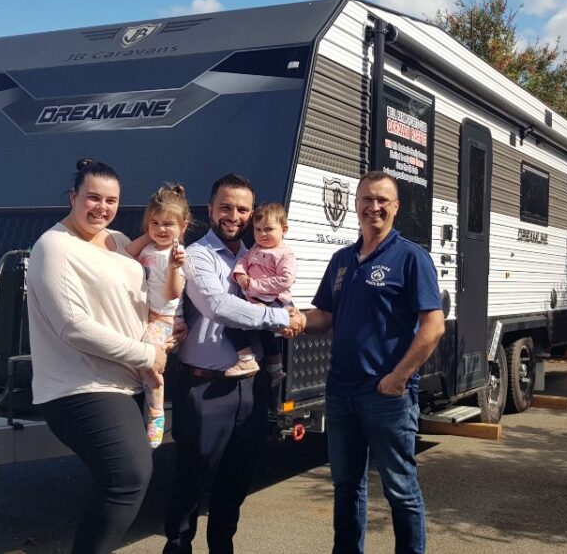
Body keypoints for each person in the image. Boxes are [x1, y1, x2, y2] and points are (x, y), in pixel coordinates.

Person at [27, 157, 175, 554]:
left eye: (111, 200)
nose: (102, 208)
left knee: (130, 477)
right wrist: (146, 353)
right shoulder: (54, 247)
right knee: (128, 475)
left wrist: (168, 328)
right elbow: (72, 326)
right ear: (74, 196)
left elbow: (143, 298)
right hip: (80, 386)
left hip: (126, 382)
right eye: (93, 198)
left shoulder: (121, 241)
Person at [301, 171, 445, 554]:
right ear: (356, 205)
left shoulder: (411, 258)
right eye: (366, 199)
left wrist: (398, 378)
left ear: (396, 207)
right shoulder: (342, 260)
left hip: (386, 395)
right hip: (342, 391)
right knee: (346, 486)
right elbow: (324, 317)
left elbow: (433, 326)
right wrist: (292, 319)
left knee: (400, 489)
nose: (373, 207)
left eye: (382, 200)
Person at [163, 174, 306, 554]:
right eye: (225, 207)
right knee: (190, 482)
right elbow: (219, 307)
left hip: (251, 388)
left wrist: (289, 308)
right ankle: (177, 548)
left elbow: (280, 290)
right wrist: (280, 319)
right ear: (209, 210)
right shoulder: (196, 257)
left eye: (243, 209)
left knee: (235, 484)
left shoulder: (256, 256)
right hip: (205, 388)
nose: (234, 215)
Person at [124, 184, 190, 448]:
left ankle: (156, 415)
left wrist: (175, 267)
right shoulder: (150, 249)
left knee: (149, 362)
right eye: (154, 223)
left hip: (165, 319)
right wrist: (147, 237)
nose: (161, 229)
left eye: (168, 224)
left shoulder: (176, 256)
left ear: (183, 227)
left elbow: (173, 294)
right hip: (148, 316)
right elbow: (126, 252)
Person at [231, 202, 297, 385]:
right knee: (233, 325)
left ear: (284, 229)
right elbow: (243, 260)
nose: (262, 234)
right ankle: (247, 359)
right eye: (257, 229)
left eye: (268, 229)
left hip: (273, 300)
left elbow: (285, 280)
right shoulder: (256, 248)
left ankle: (275, 370)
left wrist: (254, 286)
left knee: (267, 336)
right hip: (254, 298)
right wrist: (240, 274)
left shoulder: (285, 254)